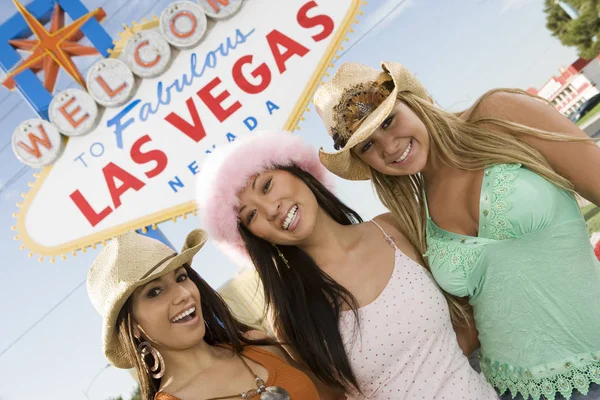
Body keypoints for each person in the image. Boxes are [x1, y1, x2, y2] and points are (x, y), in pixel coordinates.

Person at [314, 60, 600, 400]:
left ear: (410, 99)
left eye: (388, 121)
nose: (388, 147)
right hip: (514, 390)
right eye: (367, 146)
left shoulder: (497, 114)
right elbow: (466, 324)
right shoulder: (415, 216)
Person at [196, 130, 498, 399]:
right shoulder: (291, 316)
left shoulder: (393, 228)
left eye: (266, 186)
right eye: (250, 216)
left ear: (298, 170)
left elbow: (468, 310)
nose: (271, 209)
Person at [87, 228, 331, 400]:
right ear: (132, 327)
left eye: (182, 277)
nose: (183, 293)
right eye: (154, 292)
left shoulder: (259, 345)